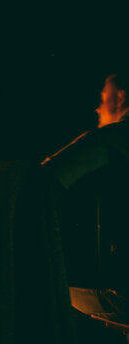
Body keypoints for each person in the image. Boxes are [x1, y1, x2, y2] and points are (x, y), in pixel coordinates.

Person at [43, 73, 129, 323]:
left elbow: (45, 178)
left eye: (103, 97)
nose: (97, 106)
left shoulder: (111, 138)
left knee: (50, 290)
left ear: (120, 97)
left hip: (123, 296)